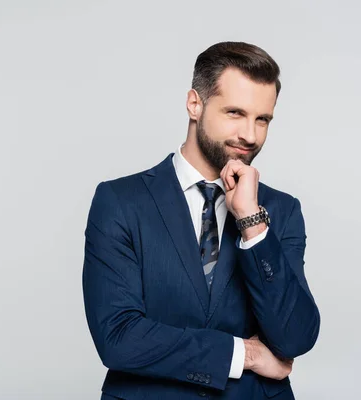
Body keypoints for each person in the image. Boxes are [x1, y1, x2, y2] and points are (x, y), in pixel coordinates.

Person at [82, 41, 320, 399]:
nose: (250, 136)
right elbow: (118, 337)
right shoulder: (120, 202)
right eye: (235, 113)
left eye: (262, 119)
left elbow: (295, 336)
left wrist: (252, 223)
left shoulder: (280, 210)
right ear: (195, 104)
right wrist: (246, 354)